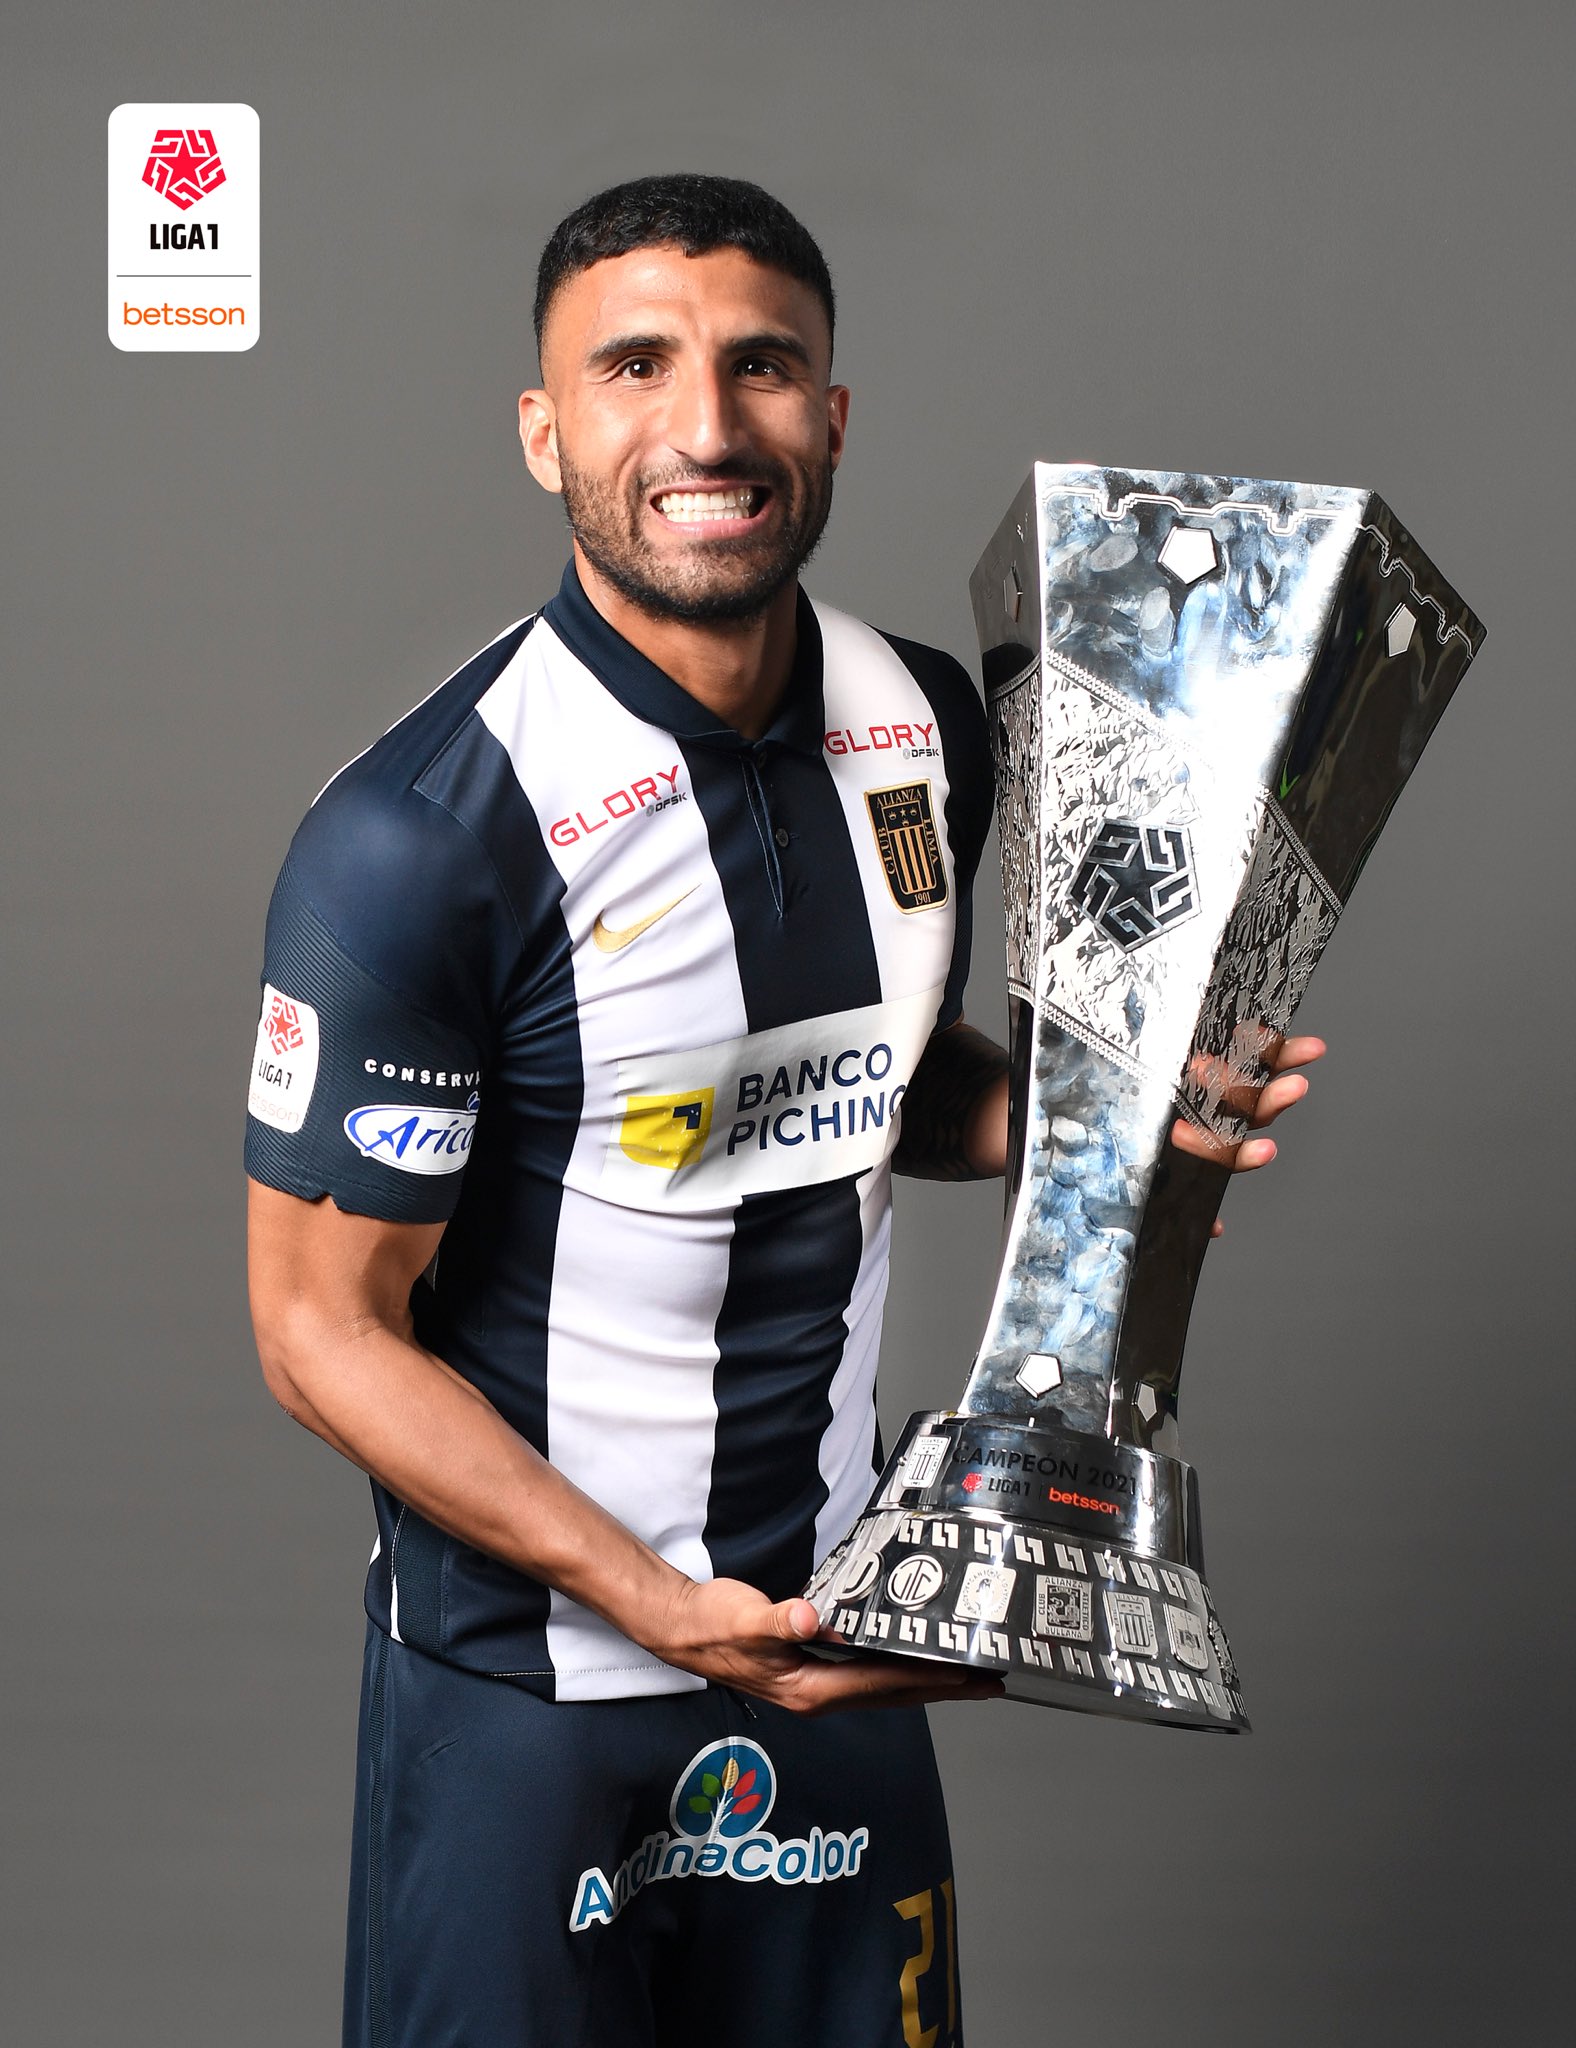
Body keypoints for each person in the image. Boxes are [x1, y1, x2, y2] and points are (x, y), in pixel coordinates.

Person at [245, 173, 1323, 2048]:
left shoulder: (929, 722)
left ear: (830, 416)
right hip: (528, 1700)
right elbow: (317, 1331)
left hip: (838, 1655)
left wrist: (1095, 1118)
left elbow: (878, 1078)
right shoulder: (422, 837)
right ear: (545, 431)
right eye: (634, 368)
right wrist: (651, 1600)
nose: (706, 425)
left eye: (759, 366)